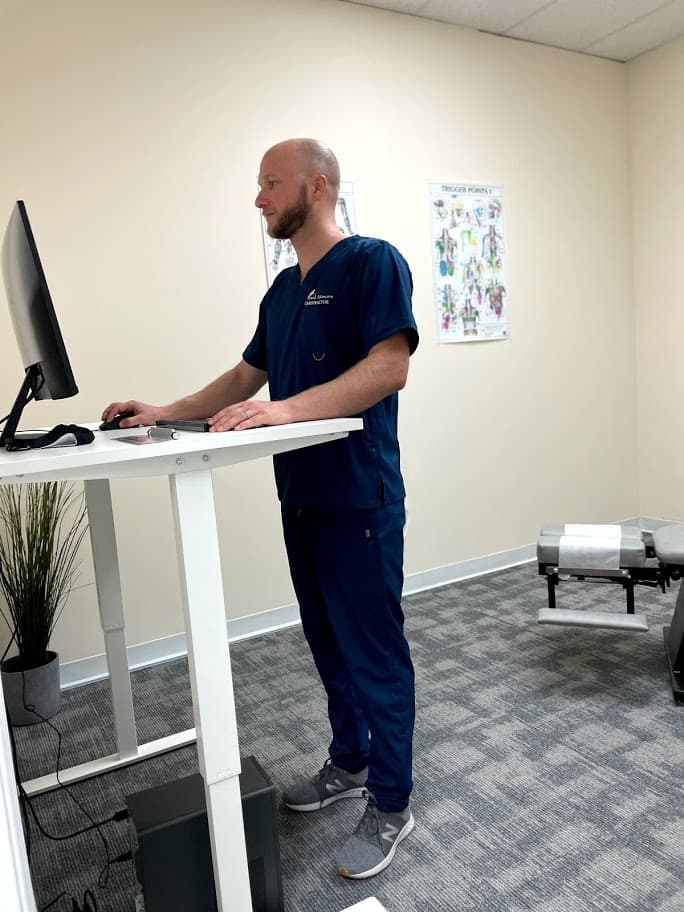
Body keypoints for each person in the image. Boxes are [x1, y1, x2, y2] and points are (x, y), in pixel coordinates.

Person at [102, 138, 419, 879]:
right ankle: (350, 760)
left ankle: (392, 801)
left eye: (271, 183)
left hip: (359, 497)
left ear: (318, 185)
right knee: (327, 642)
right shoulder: (281, 292)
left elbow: (389, 366)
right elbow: (246, 377)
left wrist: (287, 409)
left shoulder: (372, 262)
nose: (259, 198)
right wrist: (165, 409)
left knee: (373, 652)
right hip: (301, 498)